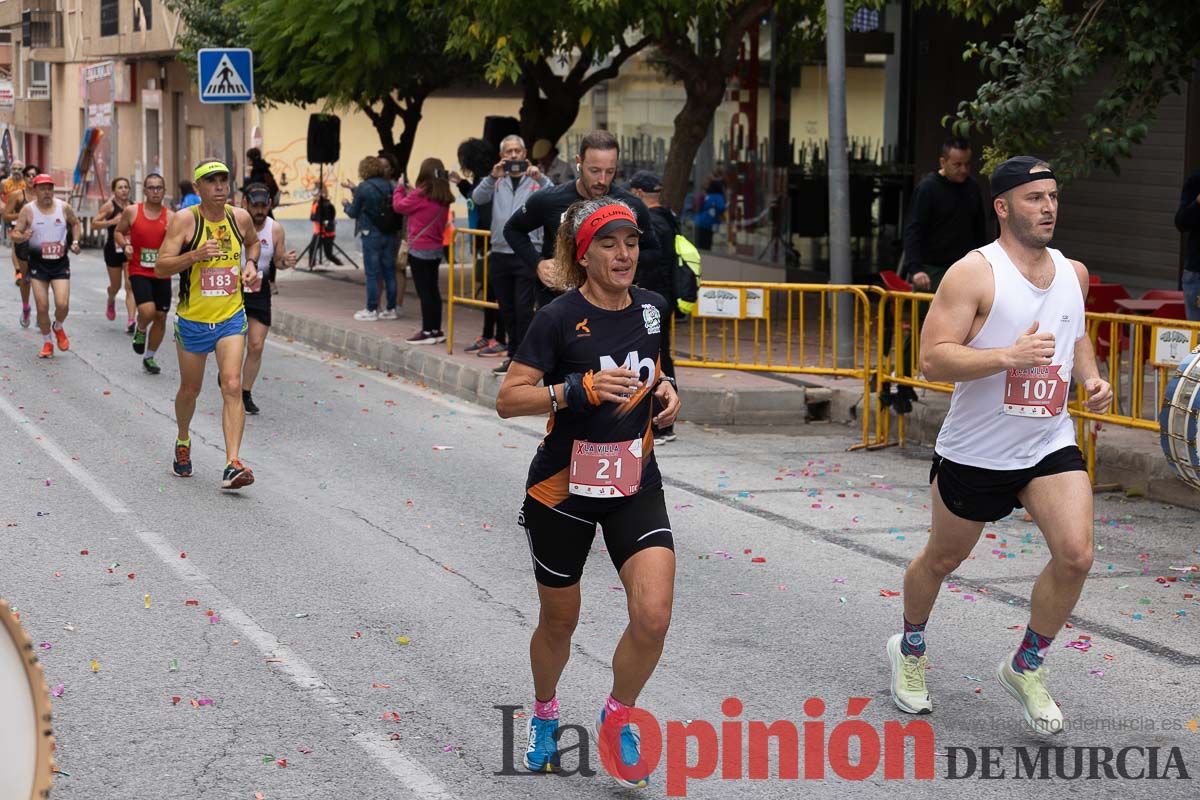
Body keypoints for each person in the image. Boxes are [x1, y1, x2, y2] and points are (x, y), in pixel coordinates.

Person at [886, 157, 1113, 736]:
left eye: (1054, 197)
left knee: (1077, 554)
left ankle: (1026, 667)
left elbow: (1076, 334)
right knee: (942, 559)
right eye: (1035, 198)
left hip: (1047, 443)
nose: (1049, 208)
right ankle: (909, 647)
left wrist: (1089, 378)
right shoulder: (973, 273)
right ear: (1003, 207)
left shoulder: (1073, 273)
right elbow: (932, 357)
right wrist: (1007, 357)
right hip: (976, 451)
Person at [495, 197, 680, 787]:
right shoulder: (555, 318)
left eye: (630, 242)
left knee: (652, 616)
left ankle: (617, 715)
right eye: (609, 243)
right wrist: (577, 387)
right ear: (584, 253)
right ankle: (546, 712)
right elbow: (508, 398)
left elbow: (659, 375)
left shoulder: (653, 309)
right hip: (562, 488)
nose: (624, 253)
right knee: (560, 621)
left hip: (633, 479)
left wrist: (670, 397)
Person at [502, 130, 660, 375]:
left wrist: (621, 267)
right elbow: (512, 229)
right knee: (562, 391)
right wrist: (538, 263)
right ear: (579, 162)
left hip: (609, 313)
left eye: (610, 171)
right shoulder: (549, 199)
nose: (602, 180)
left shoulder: (630, 206)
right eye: (594, 171)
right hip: (558, 305)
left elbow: (654, 252)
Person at [154, 160, 260, 490]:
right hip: (193, 320)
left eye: (223, 180)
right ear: (198, 188)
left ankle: (232, 463)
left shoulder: (239, 218)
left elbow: (253, 243)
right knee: (191, 389)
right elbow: (160, 267)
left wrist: (251, 264)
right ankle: (183, 440)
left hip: (230, 317)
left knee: (231, 384)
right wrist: (194, 256)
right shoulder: (185, 221)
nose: (218, 186)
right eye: (210, 181)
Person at [893, 138, 988, 409]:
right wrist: (916, 268)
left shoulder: (972, 189)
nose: (963, 170)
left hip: (966, 268)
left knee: (971, 328)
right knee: (922, 327)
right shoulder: (928, 188)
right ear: (943, 163)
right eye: (957, 164)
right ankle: (903, 381)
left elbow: (980, 230)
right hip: (931, 269)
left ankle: (965, 383)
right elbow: (913, 230)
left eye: (967, 164)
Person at [472, 135, 551, 361]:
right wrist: (491, 176)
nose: (514, 155)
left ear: (525, 155)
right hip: (499, 253)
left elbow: (555, 194)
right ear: (502, 156)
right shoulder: (497, 181)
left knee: (523, 310)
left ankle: (521, 358)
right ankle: (513, 355)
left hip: (526, 253)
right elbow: (477, 198)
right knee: (506, 309)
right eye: (509, 152)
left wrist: (541, 178)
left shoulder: (536, 181)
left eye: (517, 151)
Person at [628, 170, 681, 445]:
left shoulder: (653, 222)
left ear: (637, 194)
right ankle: (663, 422)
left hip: (654, 297)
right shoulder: (669, 217)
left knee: (655, 357)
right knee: (661, 354)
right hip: (664, 295)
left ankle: (661, 423)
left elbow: (653, 260)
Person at [240, 183, 298, 415]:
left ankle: (245, 392)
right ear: (245, 204)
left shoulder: (275, 229)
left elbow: (278, 262)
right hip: (233, 287)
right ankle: (230, 372)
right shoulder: (235, 223)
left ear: (270, 205)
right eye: (255, 206)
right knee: (232, 341)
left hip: (259, 287)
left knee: (255, 345)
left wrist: (287, 262)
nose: (260, 211)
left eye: (264, 206)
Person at [10, 174, 82, 359]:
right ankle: (47, 341)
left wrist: (75, 241)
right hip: (38, 265)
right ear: (35, 191)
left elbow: (75, 223)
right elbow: (15, 233)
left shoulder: (63, 207)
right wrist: (22, 236)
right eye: (42, 188)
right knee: (42, 307)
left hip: (59, 264)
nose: (47, 191)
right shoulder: (28, 210)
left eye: (50, 188)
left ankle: (58, 326)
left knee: (62, 304)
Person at [113, 173, 173, 374]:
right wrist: (125, 245)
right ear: (145, 190)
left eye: (159, 188)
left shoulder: (171, 217)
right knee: (147, 311)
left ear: (164, 191)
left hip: (162, 273)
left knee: (161, 316)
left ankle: (149, 357)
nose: (155, 191)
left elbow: (180, 241)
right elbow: (118, 232)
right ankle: (140, 329)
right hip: (139, 270)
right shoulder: (132, 211)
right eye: (151, 187)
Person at [452, 137, 507, 356]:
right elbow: (475, 197)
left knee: (498, 294)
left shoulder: (494, 179)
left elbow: (484, 207)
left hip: (492, 243)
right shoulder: (481, 179)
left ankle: (500, 337)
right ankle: (487, 334)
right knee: (487, 292)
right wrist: (460, 183)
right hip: (481, 243)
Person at [393, 157, 453, 343]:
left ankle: (427, 331)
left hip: (419, 250)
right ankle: (436, 330)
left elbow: (399, 206)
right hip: (436, 249)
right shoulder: (443, 196)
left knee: (424, 292)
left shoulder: (420, 194)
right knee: (433, 291)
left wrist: (399, 188)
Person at [342, 156, 399, 321]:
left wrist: (345, 204)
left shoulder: (364, 187)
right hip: (390, 233)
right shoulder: (390, 185)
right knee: (389, 271)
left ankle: (372, 309)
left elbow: (354, 212)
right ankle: (391, 309)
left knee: (373, 273)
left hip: (371, 233)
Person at [94, 177, 138, 332]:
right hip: (113, 250)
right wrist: (112, 222)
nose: (124, 190)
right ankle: (111, 298)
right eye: (120, 187)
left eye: (126, 187)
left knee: (130, 285)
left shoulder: (134, 206)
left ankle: (131, 320)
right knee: (116, 286)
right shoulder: (109, 206)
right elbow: (94, 223)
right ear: (114, 191)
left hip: (129, 249)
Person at [3, 160, 32, 327]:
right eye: (14, 168)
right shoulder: (5, 184)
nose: (16, 171)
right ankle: (18, 270)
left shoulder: (28, 184)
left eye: (19, 169)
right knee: (16, 244)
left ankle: (39, 308)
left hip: (31, 229)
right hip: (14, 220)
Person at [1173, 166, 1200, 322]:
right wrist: (1197, 203)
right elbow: (1181, 222)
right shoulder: (1196, 180)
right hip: (1198, 274)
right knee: (1198, 339)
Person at [309, 187, 342, 265]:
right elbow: (312, 217)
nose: (315, 196)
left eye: (317, 194)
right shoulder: (315, 203)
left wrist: (317, 218)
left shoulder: (326, 204)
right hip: (318, 232)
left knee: (328, 254)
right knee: (312, 249)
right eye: (314, 195)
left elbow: (328, 218)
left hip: (326, 233)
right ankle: (311, 265)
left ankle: (340, 264)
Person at [693, 179, 725, 251]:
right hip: (707, 224)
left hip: (697, 221)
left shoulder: (707, 195)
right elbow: (721, 207)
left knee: (698, 246)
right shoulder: (718, 197)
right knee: (706, 246)